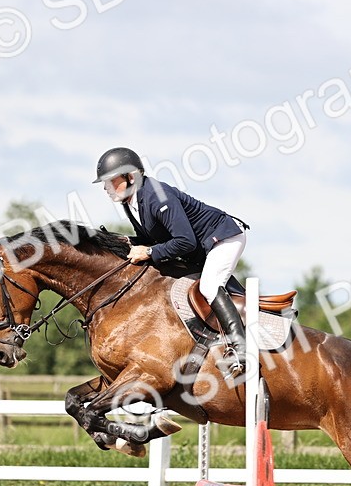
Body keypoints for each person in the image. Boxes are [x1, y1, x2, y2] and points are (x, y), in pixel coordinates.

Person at [94, 146, 249, 376]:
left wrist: (147, 252)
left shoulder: (157, 195)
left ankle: (241, 348)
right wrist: (121, 241)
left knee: (208, 286)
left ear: (130, 176)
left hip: (223, 237)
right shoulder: (132, 202)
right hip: (200, 248)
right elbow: (153, 238)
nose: (107, 188)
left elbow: (185, 242)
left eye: (110, 181)